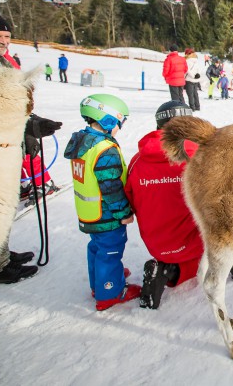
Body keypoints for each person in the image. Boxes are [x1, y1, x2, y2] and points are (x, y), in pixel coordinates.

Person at [124, 101, 233, 309]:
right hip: (195, 242)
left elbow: (129, 201)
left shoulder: (138, 160)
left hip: (158, 245)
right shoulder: (204, 155)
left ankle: (167, 270)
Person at [0, 8, 61, 287]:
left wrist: (30, 125)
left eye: (6, 35)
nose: (3, 41)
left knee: (2, 203)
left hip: (4, 145)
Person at [63, 93, 141, 310]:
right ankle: (110, 292)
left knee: (97, 247)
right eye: (119, 122)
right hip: (106, 213)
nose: (120, 128)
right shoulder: (105, 149)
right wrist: (124, 212)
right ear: (108, 120)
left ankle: (100, 280)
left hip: (88, 211)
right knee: (111, 250)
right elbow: (112, 188)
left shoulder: (83, 141)